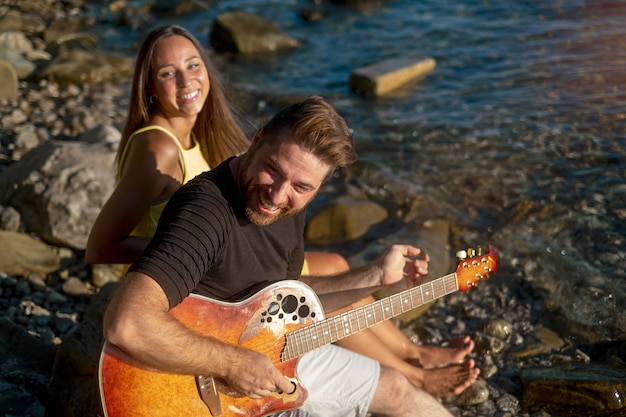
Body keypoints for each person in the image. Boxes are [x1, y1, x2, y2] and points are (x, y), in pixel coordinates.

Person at [86, 24, 478, 398]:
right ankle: (412, 374)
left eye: (193, 65)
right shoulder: (160, 148)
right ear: (150, 87)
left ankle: (413, 355)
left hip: (226, 258)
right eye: (169, 73)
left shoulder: (202, 132)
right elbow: (100, 248)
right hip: (186, 278)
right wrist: (190, 252)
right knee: (312, 288)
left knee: (337, 265)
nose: (187, 82)